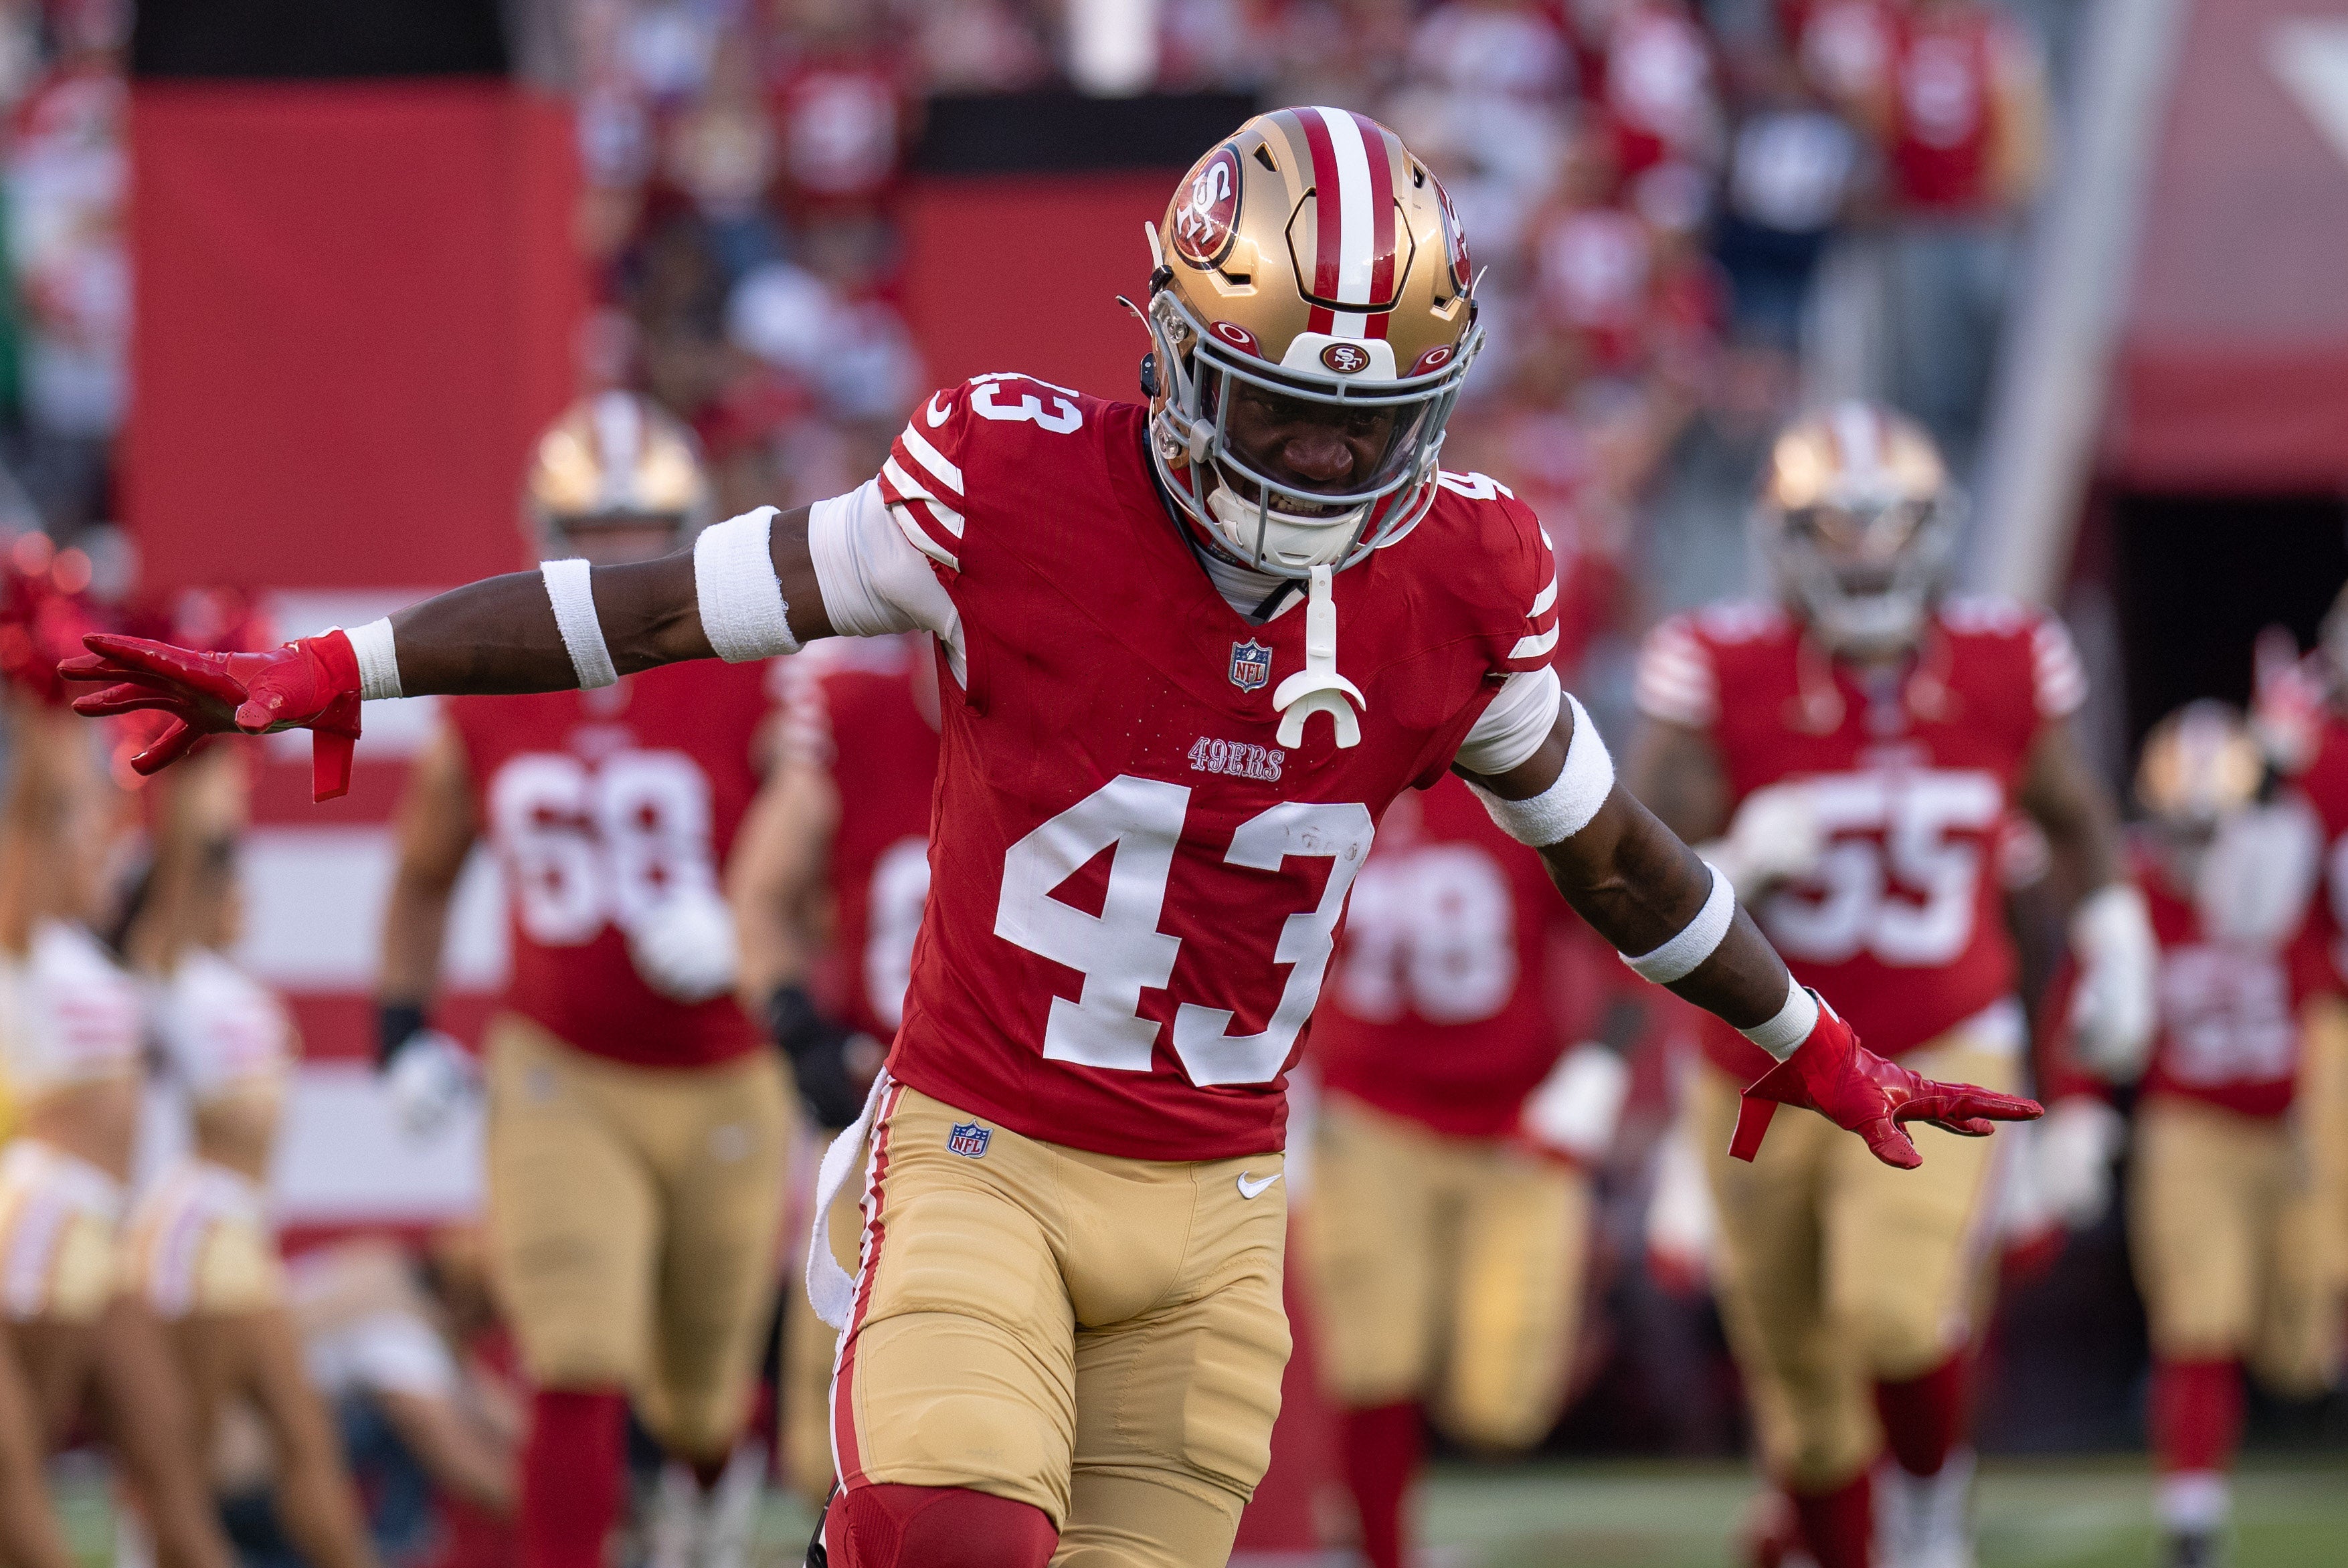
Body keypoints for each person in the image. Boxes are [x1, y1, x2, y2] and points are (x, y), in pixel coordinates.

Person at [60, 108, 2039, 1568]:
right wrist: (343, 661)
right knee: (947, 1531)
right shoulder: (1005, 492)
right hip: (983, 1147)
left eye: (1362, 426)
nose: (1322, 461)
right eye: (1281, 411)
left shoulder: (1460, 579)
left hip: (1217, 1203)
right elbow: (663, 599)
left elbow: (1609, 847)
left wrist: (1807, 1036)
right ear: (1174, 349)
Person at [1626, 402, 2149, 1568]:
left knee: (1896, 1310)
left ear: (1934, 529)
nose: (1863, 555)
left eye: (1888, 525)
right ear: (1782, 539)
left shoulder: (2006, 656)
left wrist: (2117, 941)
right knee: (1802, 1405)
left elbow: (2073, 817)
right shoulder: (1717, 663)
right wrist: (1733, 859)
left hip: (1935, 1042)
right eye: (1834, 528)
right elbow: (1630, 868)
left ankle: (1925, 1521)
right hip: (1760, 1066)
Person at [367, 391, 791, 1568]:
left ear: (690, 533)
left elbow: (824, 866)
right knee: (574, 1350)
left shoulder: (756, 673)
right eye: (591, 530)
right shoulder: (496, 676)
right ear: (544, 535)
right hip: (561, 1068)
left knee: (701, 1397)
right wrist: (398, 1029)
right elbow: (423, 872)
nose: (613, 558)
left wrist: (744, 929)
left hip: (724, 1073)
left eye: (637, 529)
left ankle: (699, 1503)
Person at [1301, 769, 1633, 1568]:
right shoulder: (1323, 778)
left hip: (1512, 1130)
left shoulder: (1513, 786)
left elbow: (1628, 932)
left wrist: (1600, 1067)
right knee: (1371, 1354)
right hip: (1367, 1113)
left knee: (1501, 1407)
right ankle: (1380, 1547)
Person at [2038, 702, 2341, 1568]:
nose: (2204, 852)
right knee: (2196, 1317)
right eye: (2188, 828)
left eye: (2221, 828)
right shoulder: (2134, 889)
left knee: (2301, 1353)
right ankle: (2192, 1518)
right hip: (2189, 1125)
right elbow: (2080, 1007)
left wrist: (2307, 747)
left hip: (2300, 1125)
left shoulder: (2300, 872)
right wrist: (2079, 1108)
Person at [116, 645, 379, 1568]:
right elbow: (182, 867)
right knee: (197, 1462)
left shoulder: (238, 993)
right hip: (197, 1237)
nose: (238, 893)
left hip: (238, 1233)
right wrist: (203, 754)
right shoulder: (172, 978)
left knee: (295, 1447)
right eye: (223, 882)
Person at [0, 563, 234, 1568]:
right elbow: (36, 811)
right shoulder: (19, 942)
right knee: (22, 1503)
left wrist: (208, 729)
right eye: (82, 831)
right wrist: (42, 682)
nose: (100, 841)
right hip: (37, 1229)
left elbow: (187, 854)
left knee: (174, 1471)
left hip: (107, 1235)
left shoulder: (111, 960)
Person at [727, 629, 941, 1504]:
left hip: (1034, 1119)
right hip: (880, 1113)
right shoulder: (854, 715)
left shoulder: (1094, 719)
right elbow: (763, 894)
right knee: (836, 1446)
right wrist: (800, 1028)